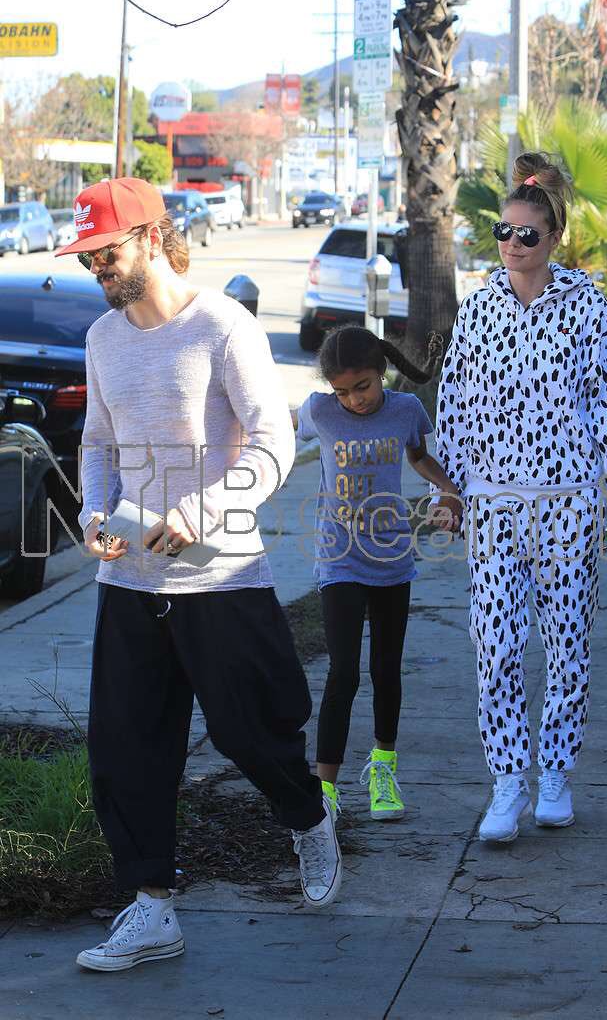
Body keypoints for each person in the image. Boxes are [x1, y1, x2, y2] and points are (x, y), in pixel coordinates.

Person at [58, 177, 341, 973]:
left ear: (150, 236)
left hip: (221, 580)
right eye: (87, 260)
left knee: (255, 733)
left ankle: (309, 820)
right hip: (131, 586)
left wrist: (205, 510)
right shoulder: (102, 337)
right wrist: (92, 513)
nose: (98, 272)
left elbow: (273, 444)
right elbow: (98, 443)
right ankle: (152, 909)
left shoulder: (223, 326)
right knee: (126, 752)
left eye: (105, 253)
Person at [430, 151, 607, 843]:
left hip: (568, 503)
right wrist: (450, 492)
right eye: (503, 231)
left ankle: (554, 772)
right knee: (495, 645)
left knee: (566, 646)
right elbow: (457, 408)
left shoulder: (585, 304)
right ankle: (507, 781)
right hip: (495, 504)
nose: (513, 244)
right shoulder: (479, 309)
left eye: (527, 233)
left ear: (552, 237)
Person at [292, 325, 461, 822]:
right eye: (342, 390)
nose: (354, 399)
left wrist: (449, 493)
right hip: (338, 556)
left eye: (362, 386)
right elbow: (279, 439)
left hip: (391, 558)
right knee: (342, 672)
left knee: (386, 670)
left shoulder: (406, 410)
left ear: (381, 374)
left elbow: (419, 456)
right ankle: (325, 790)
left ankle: (383, 768)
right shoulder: (319, 411)